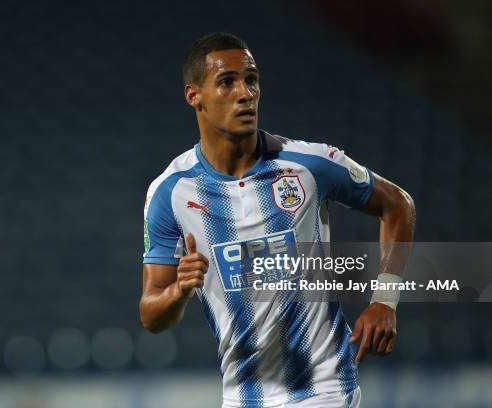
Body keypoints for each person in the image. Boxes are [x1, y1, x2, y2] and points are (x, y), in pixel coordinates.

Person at [139, 32, 415, 408]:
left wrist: (385, 299)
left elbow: (398, 204)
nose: (245, 93)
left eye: (251, 79)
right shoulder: (170, 193)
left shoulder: (308, 164)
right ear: (194, 96)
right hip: (243, 396)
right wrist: (179, 290)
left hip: (325, 389)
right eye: (227, 82)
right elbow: (152, 315)